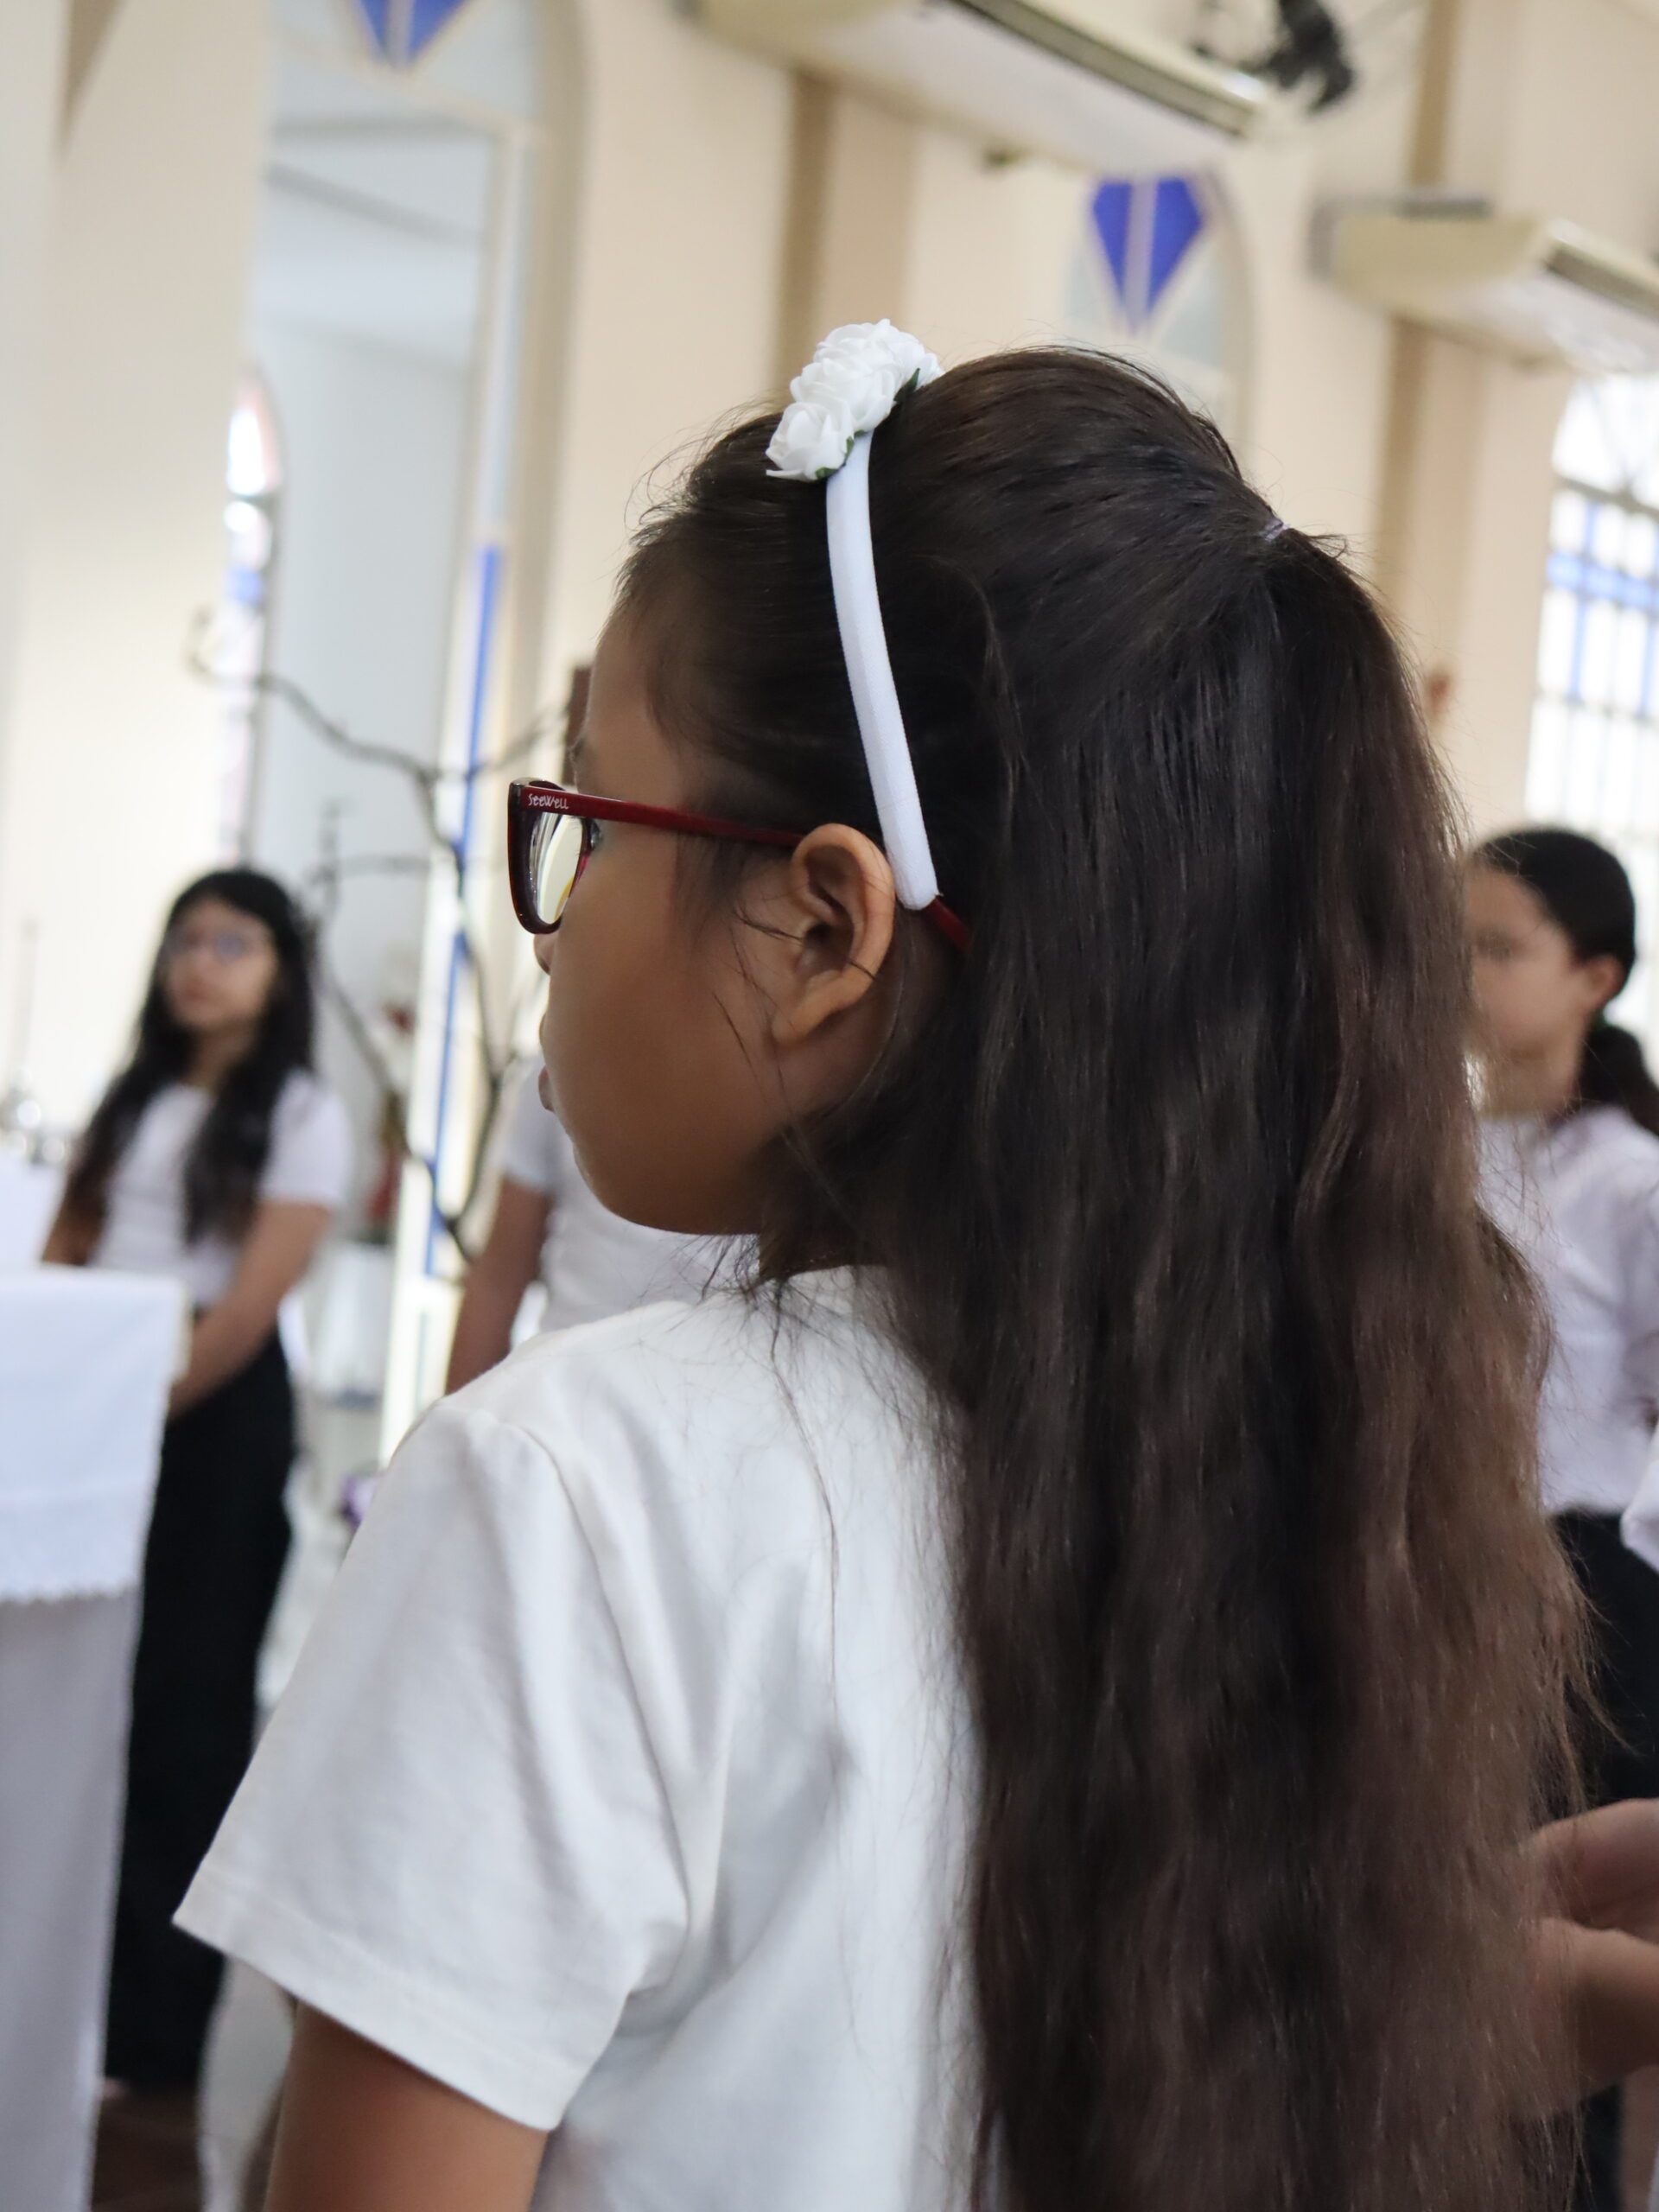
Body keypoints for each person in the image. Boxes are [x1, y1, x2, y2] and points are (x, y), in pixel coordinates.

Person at [174, 334, 1659, 2212]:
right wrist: (1429, 2004)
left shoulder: (571, 1489)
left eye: (592, 817)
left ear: (821, 927)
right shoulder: (1284, 1457)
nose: (548, 923)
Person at [42, 868, 350, 2183]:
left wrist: (138, 1400)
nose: (200, 962)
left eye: (232, 942)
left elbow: (244, 1308)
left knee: (187, 1712)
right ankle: (57, 1994)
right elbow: (63, 1255)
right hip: (93, 1410)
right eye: (185, 939)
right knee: (80, 1701)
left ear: (279, 972)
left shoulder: (301, 1114)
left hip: (209, 1423)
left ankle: (156, 2033)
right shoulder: (131, 1099)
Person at [1470, 827, 1659, 2209]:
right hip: (1445, 1561)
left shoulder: (1632, 1182)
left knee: (1560, 1935)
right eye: (1455, 942)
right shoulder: (1438, 1144)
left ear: (1594, 976)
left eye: (1500, 948)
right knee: (1455, 1905)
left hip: (1587, 1584)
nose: (1465, 974)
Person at [443, 1063, 725, 1389]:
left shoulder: (763, 1087)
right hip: (565, 1391)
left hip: (715, 1400)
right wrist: (455, 1414)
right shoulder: (554, 1069)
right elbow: (499, 1277)